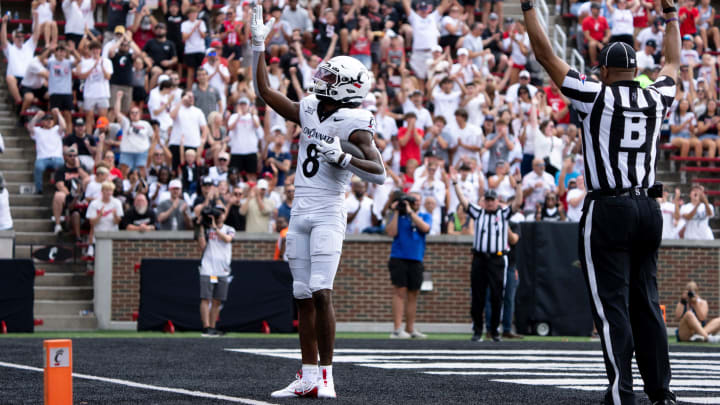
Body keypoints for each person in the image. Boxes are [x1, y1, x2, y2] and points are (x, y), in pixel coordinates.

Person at [523, 0, 680, 402]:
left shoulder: (596, 95)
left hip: (609, 207)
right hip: (649, 207)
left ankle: (620, 392)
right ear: (637, 73)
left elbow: (545, 55)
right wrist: (672, 18)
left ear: (606, 72)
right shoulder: (655, 97)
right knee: (646, 301)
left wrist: (527, 8)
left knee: (611, 306)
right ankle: (661, 391)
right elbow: (674, 65)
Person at [252, 5, 386, 399]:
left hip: (329, 209)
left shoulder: (355, 121)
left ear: (346, 87)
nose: (320, 78)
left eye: (329, 76)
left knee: (321, 290)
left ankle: (326, 375)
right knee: (301, 295)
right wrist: (258, 45)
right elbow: (265, 92)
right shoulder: (310, 107)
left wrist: (343, 157)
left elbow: (378, 172)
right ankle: (308, 374)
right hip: (300, 210)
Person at [453, 174, 522, 341]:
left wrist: (518, 184)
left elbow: (518, 202)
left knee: (497, 296)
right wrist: (455, 183)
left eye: (493, 200)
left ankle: (494, 331)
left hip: (497, 260)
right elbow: (463, 202)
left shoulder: (504, 214)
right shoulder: (478, 213)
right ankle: (477, 330)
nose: (490, 202)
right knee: (478, 296)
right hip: (480, 259)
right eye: (487, 200)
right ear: (483, 201)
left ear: (497, 201)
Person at [385, 191, 431, 338]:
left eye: (417, 200)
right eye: (412, 200)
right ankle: (397, 329)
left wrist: (411, 212)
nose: (414, 202)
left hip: (416, 259)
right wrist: (397, 211)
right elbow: (391, 232)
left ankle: (410, 329)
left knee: (413, 294)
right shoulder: (398, 215)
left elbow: (425, 228)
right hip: (398, 258)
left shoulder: (424, 216)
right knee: (399, 292)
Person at [196, 198, 235, 337]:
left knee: (217, 300)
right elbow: (201, 246)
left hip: (223, 270)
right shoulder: (206, 229)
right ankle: (206, 327)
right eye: (217, 212)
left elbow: (228, 239)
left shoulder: (229, 229)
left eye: (221, 212)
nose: (219, 215)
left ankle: (213, 327)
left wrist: (215, 228)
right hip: (208, 267)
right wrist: (200, 226)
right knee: (206, 298)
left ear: (225, 214)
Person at [29, 110, 67, 194]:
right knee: (38, 167)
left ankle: (60, 187)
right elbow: (30, 127)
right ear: (42, 122)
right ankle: (39, 190)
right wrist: (37, 116)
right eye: (46, 120)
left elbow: (64, 126)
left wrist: (58, 113)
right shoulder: (38, 130)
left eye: (51, 119)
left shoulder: (57, 129)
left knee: (61, 165)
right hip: (42, 158)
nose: (49, 121)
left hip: (56, 157)